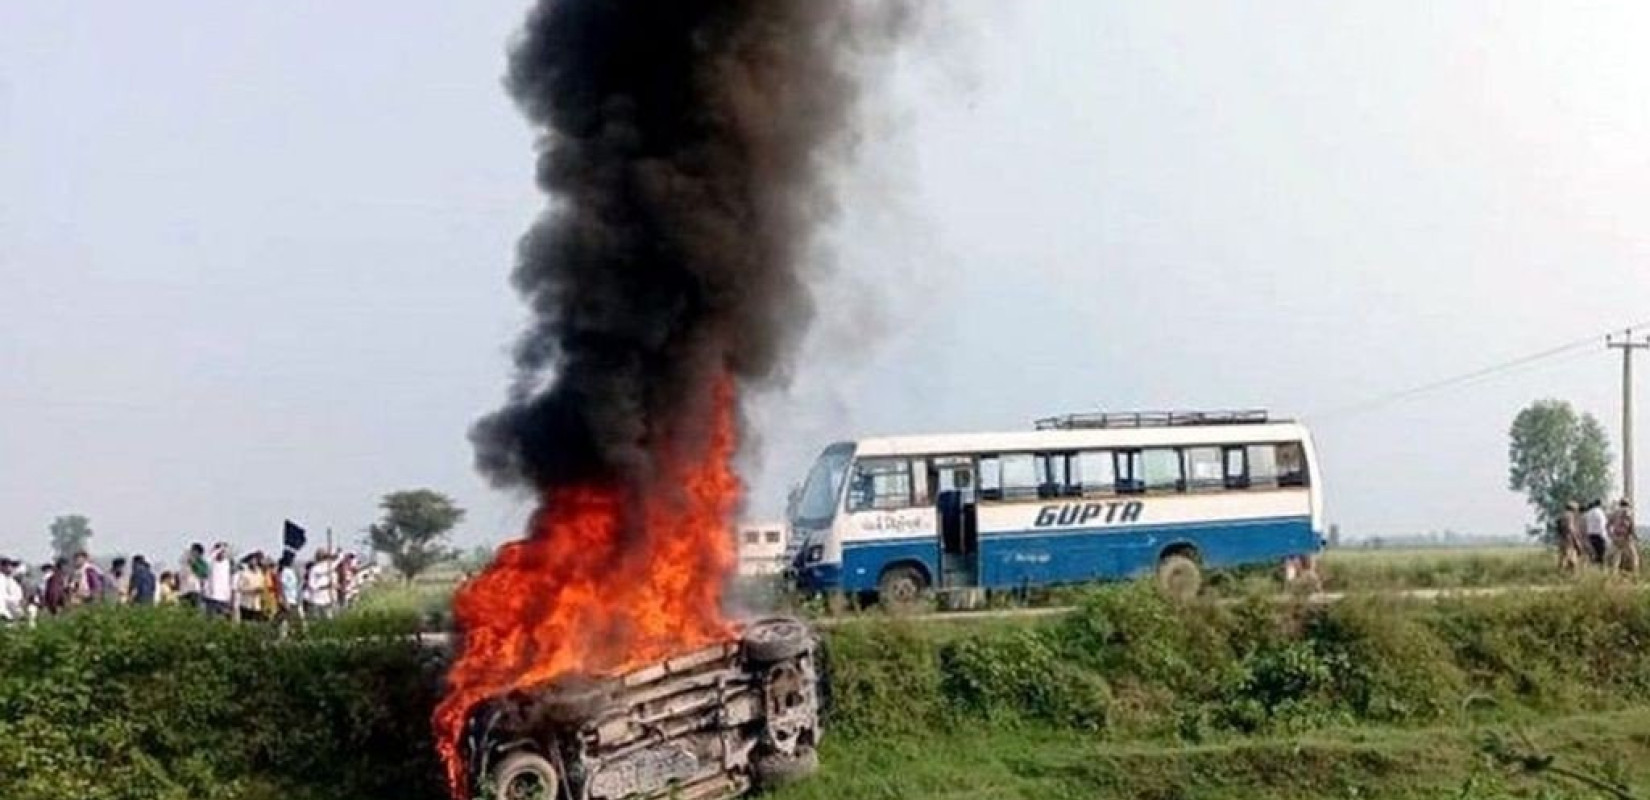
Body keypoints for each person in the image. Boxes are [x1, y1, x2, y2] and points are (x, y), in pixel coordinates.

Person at [1609, 498, 1640, 574]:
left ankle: (1613, 575)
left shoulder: (1614, 513)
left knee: (1616, 558)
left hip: (1616, 537)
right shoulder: (1628, 512)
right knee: (1634, 557)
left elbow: (1607, 525)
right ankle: (1635, 574)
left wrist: (1611, 536)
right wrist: (1635, 536)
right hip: (1626, 538)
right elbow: (1631, 526)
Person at [205, 543, 234, 618]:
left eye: (223, 552)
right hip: (211, 597)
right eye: (220, 551)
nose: (222, 553)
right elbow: (208, 559)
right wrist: (218, 549)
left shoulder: (227, 563)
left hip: (225, 598)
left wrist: (224, 548)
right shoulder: (211, 563)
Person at [235, 553, 266, 623]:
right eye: (251, 560)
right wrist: (252, 590)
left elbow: (262, 585)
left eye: (255, 560)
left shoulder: (260, 573)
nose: (253, 562)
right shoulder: (244, 573)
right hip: (246, 604)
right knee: (245, 624)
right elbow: (240, 588)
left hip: (256, 604)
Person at [1558, 502, 1584, 572]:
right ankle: (1562, 573)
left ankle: (1565, 573)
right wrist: (1576, 540)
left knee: (1566, 557)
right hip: (1569, 540)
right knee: (1568, 558)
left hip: (1562, 539)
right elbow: (1570, 528)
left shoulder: (1563, 515)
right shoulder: (1570, 516)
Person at [180, 543, 208, 607]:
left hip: (195, 591)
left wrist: (194, 564)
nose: (192, 553)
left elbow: (204, 574)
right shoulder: (185, 562)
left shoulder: (202, 563)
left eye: (195, 551)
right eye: (192, 551)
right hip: (183, 591)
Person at [1584, 499, 1610, 566]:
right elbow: (1603, 524)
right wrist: (1605, 536)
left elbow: (1586, 524)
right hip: (1599, 535)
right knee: (1601, 555)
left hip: (1590, 535)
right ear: (1600, 504)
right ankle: (1600, 570)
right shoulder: (1600, 512)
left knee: (1593, 554)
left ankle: (1593, 568)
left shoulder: (1588, 513)